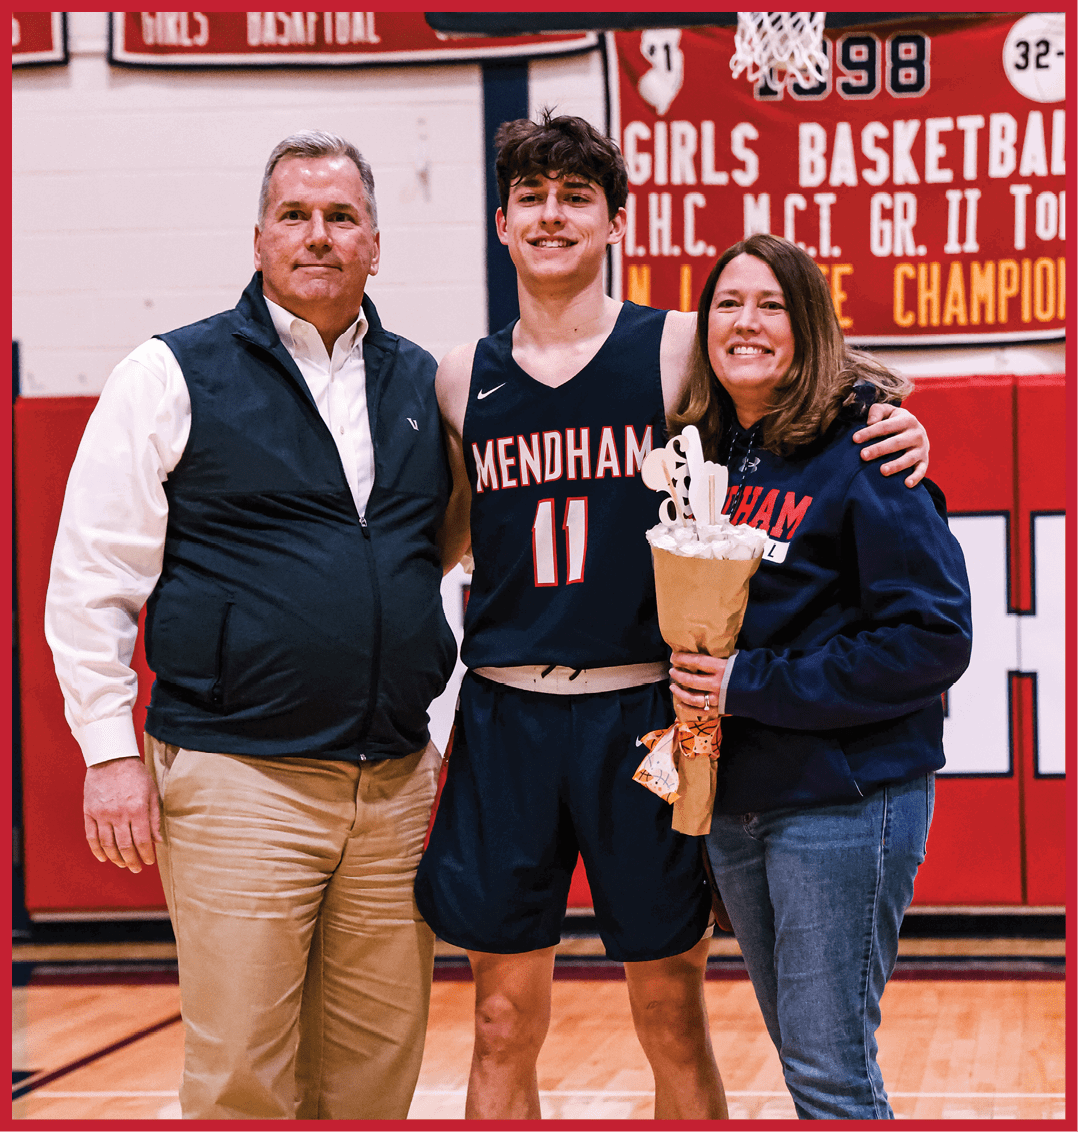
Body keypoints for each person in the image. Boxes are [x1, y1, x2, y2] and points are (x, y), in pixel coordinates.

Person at [413, 111, 933, 1121]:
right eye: (533, 198)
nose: (552, 216)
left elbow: (803, 362)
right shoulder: (454, 377)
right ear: (502, 222)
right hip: (506, 714)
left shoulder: (677, 345)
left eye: (576, 198)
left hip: (639, 713)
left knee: (668, 1010)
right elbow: (447, 536)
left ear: (615, 223)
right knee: (496, 1021)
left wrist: (897, 411)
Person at [44, 130, 457, 1120]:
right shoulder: (170, 371)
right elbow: (92, 574)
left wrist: (437, 727)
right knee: (243, 1081)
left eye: (341, 216)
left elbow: (443, 565)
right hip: (239, 781)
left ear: (376, 242)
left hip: (394, 787)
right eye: (296, 215)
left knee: (374, 1077)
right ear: (261, 234)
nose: (318, 236)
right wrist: (108, 750)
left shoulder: (423, 382)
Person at [666, 233, 973, 1119]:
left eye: (770, 305)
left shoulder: (867, 446)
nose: (746, 322)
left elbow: (932, 637)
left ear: (808, 326)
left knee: (830, 1072)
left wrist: (748, 683)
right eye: (728, 304)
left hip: (846, 798)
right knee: (805, 1053)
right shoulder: (705, 452)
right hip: (740, 798)